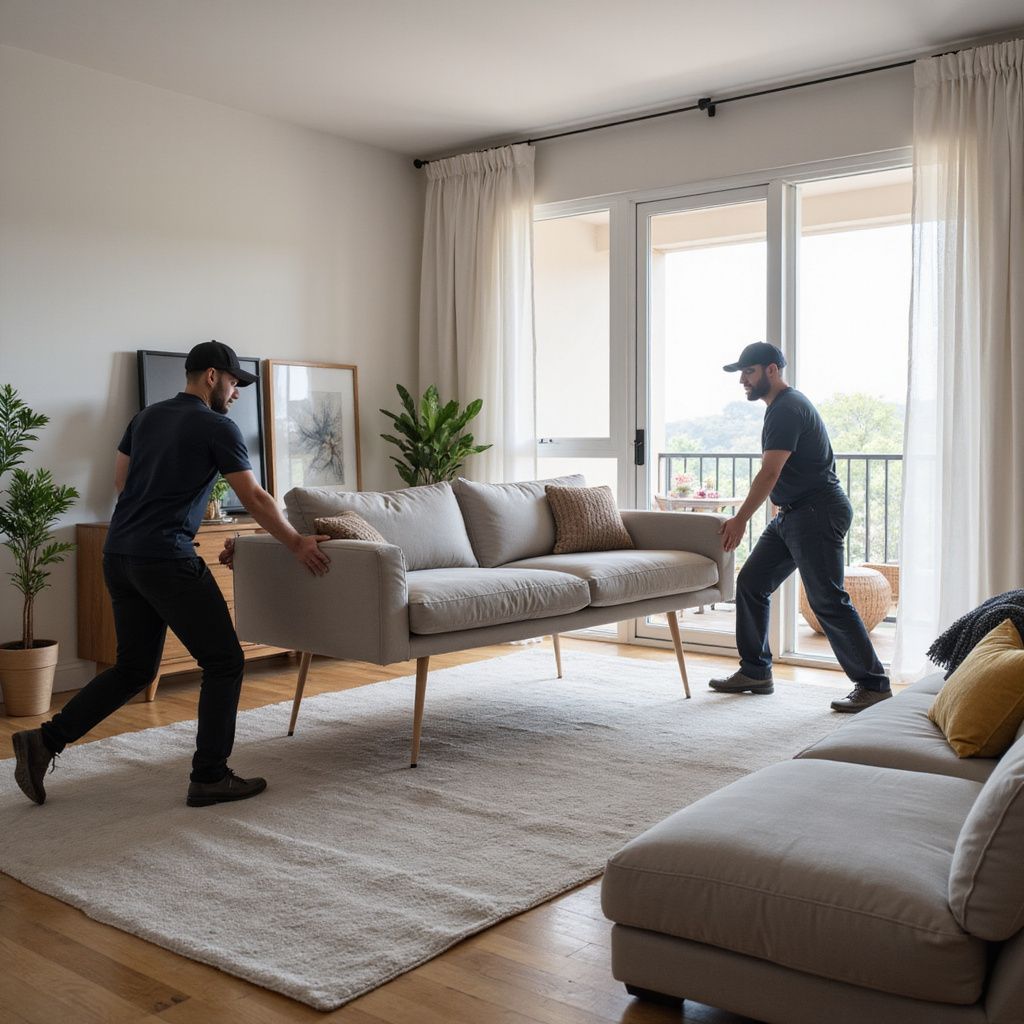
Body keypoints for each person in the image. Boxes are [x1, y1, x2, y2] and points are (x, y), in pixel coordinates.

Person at [12, 341, 331, 807]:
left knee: (133, 668)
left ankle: (45, 741)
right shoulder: (217, 426)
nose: (237, 392)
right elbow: (257, 498)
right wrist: (298, 543)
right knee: (224, 661)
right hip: (165, 557)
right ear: (210, 376)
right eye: (234, 382)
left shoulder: (144, 418)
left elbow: (123, 482)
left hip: (119, 552)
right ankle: (209, 776)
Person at [709, 341, 892, 712]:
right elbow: (788, 472)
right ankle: (756, 670)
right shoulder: (782, 407)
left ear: (772, 370)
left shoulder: (786, 409)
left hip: (816, 512)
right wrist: (778, 507)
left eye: (749, 371)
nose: (743, 380)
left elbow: (770, 471)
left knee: (826, 598)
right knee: (753, 582)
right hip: (794, 513)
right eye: (741, 373)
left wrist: (741, 519)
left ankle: (873, 685)